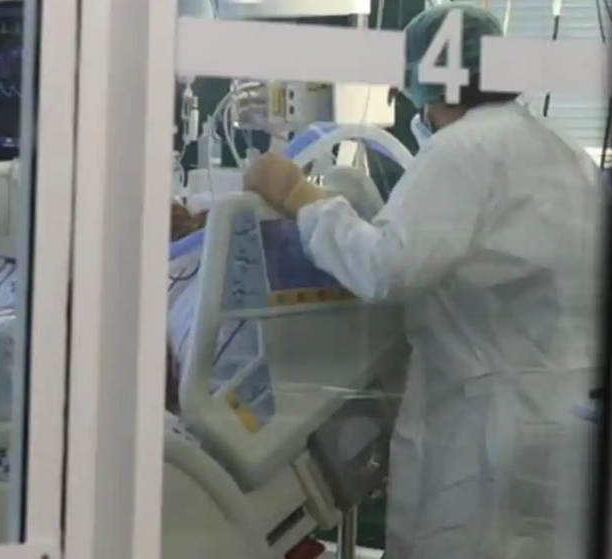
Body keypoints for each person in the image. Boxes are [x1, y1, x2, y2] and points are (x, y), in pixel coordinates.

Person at [244, 5, 604, 559]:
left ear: (426, 83)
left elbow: (385, 268)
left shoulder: (463, 150)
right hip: (565, 431)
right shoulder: (563, 151)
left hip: (486, 432)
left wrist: (300, 197)